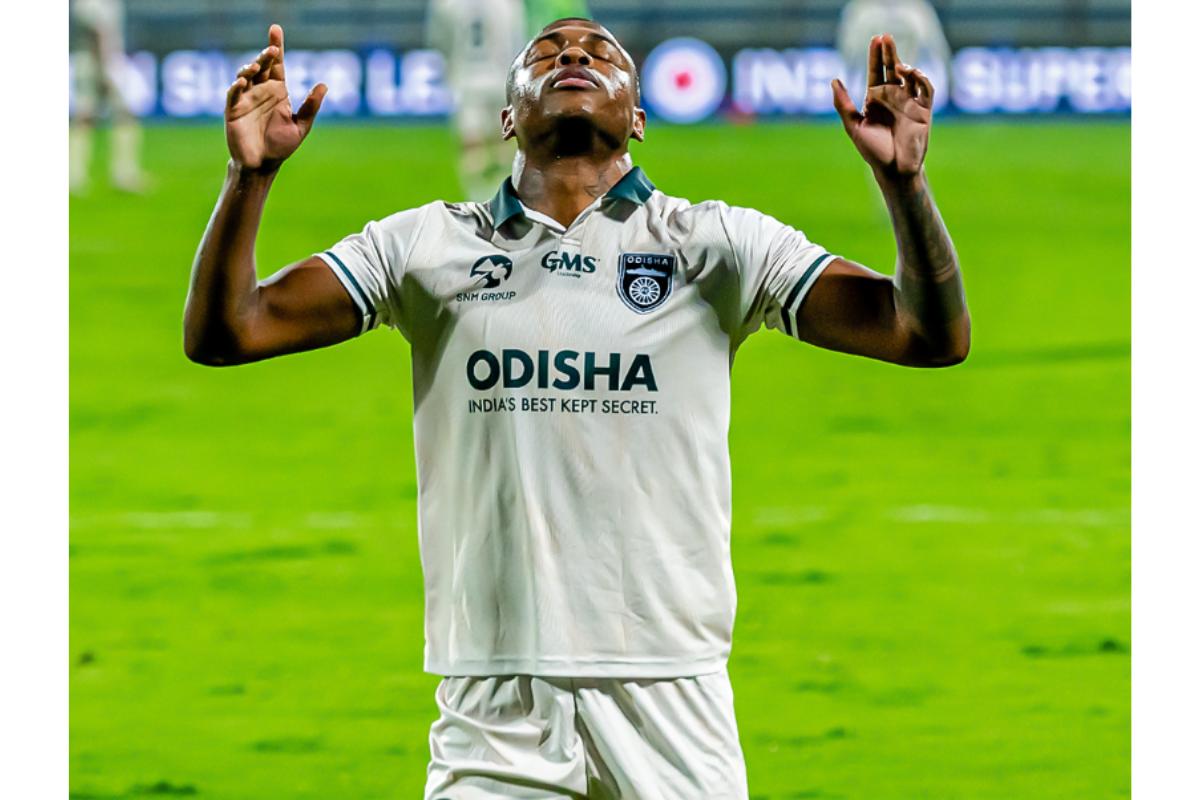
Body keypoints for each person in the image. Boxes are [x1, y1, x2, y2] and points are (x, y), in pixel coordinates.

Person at [185, 19, 969, 799]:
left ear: (638, 118)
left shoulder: (717, 243)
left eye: (600, 55)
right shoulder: (425, 246)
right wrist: (248, 178)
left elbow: (925, 333)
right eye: (547, 54)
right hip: (497, 702)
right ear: (506, 121)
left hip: (671, 691)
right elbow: (229, 330)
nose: (571, 58)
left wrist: (905, 188)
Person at [426, 0, 527, 201]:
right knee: (504, 143)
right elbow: (519, 40)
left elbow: (438, 40)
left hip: (466, 80)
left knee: (472, 145)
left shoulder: (445, 4)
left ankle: (476, 201)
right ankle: (504, 201)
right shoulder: (509, 4)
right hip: (502, 78)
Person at [70, 0, 147, 194]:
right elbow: (95, 33)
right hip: (98, 63)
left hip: (99, 61)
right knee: (122, 116)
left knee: (85, 117)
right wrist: (105, 68)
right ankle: (124, 174)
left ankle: (76, 175)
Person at [838, 0, 952, 109]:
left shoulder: (918, 11)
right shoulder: (861, 11)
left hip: (908, 82)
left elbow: (937, 48)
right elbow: (849, 51)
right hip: (868, 85)